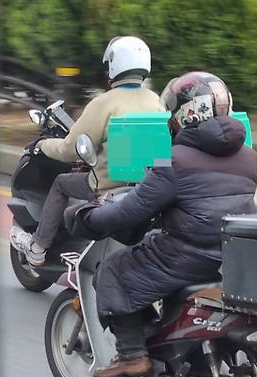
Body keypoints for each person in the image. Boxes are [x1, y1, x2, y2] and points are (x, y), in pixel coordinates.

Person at [72, 72, 257, 377]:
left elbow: (130, 211)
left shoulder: (175, 160)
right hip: (230, 254)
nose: (170, 121)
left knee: (112, 271)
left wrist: (89, 217)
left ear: (186, 114)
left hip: (186, 256)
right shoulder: (248, 156)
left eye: (172, 114)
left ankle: (132, 355)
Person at [10, 36, 166, 265]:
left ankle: (38, 247)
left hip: (107, 185)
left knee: (61, 183)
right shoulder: (156, 101)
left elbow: (69, 149)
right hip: (147, 185)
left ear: (115, 64)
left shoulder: (104, 103)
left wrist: (41, 146)